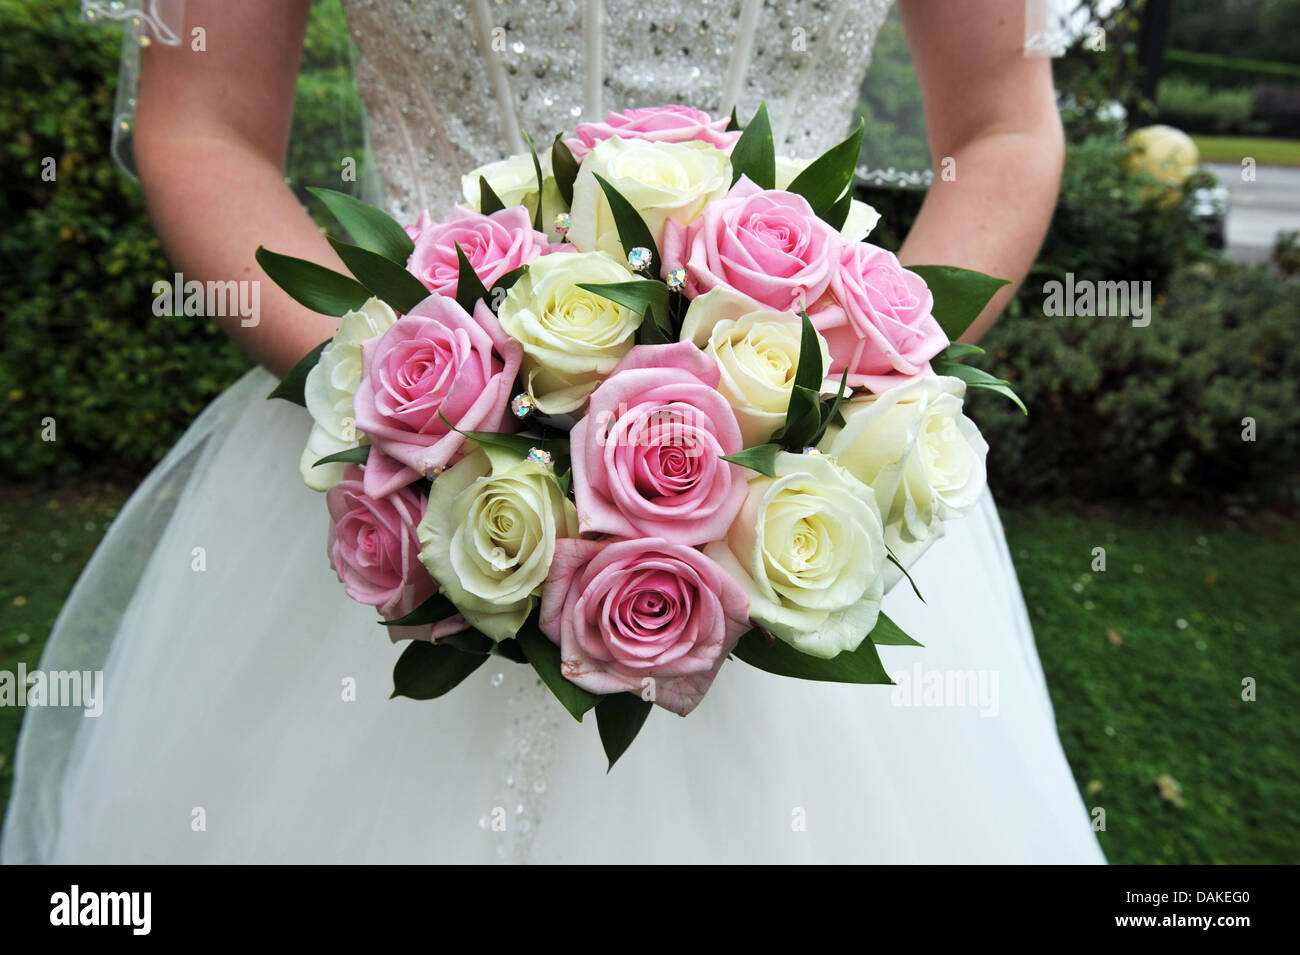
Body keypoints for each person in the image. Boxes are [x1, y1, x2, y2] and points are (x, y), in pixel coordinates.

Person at [3, 0, 1104, 863]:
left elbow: (1003, 126)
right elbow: (204, 127)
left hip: (801, 480)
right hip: (404, 466)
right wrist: (415, 396)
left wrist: (842, 389)